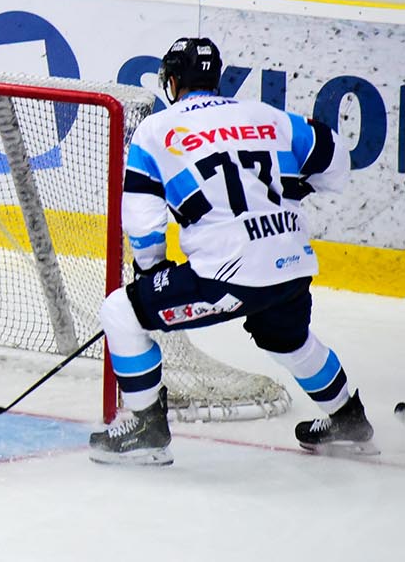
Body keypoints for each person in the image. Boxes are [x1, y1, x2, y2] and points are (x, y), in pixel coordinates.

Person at [89, 37, 374, 464]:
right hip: (291, 266)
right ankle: (349, 419)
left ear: (172, 79)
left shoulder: (156, 129)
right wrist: (290, 194)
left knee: (120, 312)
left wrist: (152, 274)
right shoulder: (269, 115)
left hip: (227, 275)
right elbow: (337, 162)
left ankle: (147, 429)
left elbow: (143, 224)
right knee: (288, 341)